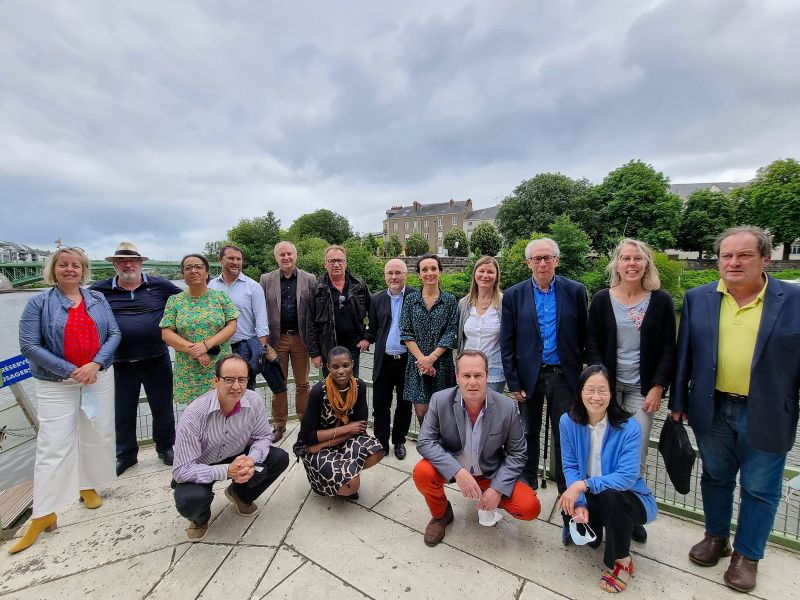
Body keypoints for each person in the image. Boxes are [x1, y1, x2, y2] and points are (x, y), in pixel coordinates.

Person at [670, 226, 800, 593]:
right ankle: (716, 537)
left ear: (765, 258)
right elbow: (686, 355)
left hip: (770, 410)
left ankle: (747, 555)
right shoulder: (699, 297)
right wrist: (678, 402)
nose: (733, 262)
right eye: (727, 255)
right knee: (715, 477)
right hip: (712, 407)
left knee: (760, 488)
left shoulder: (793, 300)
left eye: (744, 255)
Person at [12, 247, 121, 554]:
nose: (70, 269)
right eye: (64, 265)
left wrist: (95, 364)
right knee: (53, 444)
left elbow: (113, 334)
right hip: (56, 382)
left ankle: (86, 485)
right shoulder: (38, 303)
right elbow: (29, 345)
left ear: (83, 270)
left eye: (76, 265)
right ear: (54, 269)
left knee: (96, 434)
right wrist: (71, 370)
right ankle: (43, 512)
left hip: (97, 375)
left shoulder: (97, 299)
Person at [585, 238, 676, 543]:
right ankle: (597, 509)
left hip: (641, 389)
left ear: (647, 264)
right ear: (617, 264)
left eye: (638, 259)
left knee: (634, 453)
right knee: (599, 446)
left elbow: (668, 349)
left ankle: (630, 510)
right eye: (625, 258)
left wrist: (658, 386)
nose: (632, 264)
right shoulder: (601, 299)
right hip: (607, 389)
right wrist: (600, 385)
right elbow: (593, 344)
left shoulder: (660, 301)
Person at [413, 350, 540, 547]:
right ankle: (441, 515)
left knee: (529, 507)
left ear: (487, 376)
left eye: (478, 375)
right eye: (466, 375)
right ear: (457, 377)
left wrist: (497, 489)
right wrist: (457, 471)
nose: (472, 382)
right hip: (454, 468)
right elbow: (425, 442)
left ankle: (487, 494)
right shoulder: (440, 400)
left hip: (489, 471)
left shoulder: (507, 407)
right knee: (422, 472)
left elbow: (518, 453)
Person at [500, 237, 588, 499]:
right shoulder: (514, 295)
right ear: (528, 263)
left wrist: (585, 378)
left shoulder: (575, 291)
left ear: (556, 260)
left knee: (564, 435)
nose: (542, 263)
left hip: (564, 376)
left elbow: (585, 335)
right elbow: (508, 342)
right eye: (536, 258)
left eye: (547, 258)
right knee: (528, 431)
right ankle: (528, 480)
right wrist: (513, 382)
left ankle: (566, 490)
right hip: (530, 376)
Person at [558, 365, 657, 593]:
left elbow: (627, 477)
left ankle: (622, 562)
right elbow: (571, 466)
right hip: (592, 494)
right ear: (580, 392)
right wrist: (580, 502)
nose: (596, 397)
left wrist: (583, 486)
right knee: (587, 536)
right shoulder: (567, 422)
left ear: (612, 394)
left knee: (612, 497)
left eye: (602, 391)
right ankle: (599, 523)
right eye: (589, 390)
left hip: (628, 497)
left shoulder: (629, 427)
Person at [171, 354, 289, 541]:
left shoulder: (254, 401)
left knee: (279, 458)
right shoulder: (194, 414)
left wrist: (251, 459)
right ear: (216, 381)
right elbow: (181, 470)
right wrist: (227, 470)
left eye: (242, 380)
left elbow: (263, 437)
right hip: (203, 464)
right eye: (229, 380)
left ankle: (240, 495)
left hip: (237, 454)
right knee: (190, 499)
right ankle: (199, 519)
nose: (236, 386)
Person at [91, 242, 182, 476]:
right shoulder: (99, 291)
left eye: (132, 261)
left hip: (157, 358)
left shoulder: (160, 285)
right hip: (120, 362)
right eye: (122, 261)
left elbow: (186, 303)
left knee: (162, 407)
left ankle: (165, 447)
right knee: (123, 410)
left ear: (141, 263)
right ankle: (126, 455)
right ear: (114, 264)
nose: (128, 264)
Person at [296, 347, 384, 499]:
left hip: (324, 442)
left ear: (352, 365)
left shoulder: (359, 386)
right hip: (313, 447)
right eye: (335, 367)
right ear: (328, 368)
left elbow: (360, 430)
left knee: (377, 452)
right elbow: (307, 437)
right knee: (352, 485)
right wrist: (348, 429)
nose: (341, 371)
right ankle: (329, 481)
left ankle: (345, 472)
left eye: (345, 365)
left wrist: (324, 442)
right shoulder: (319, 391)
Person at [160, 254, 239, 404]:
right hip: (189, 368)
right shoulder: (174, 301)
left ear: (207, 272)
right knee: (195, 415)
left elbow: (232, 326)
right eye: (188, 268)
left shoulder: (220, 297)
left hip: (219, 365)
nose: (194, 271)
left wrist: (205, 346)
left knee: (224, 408)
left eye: (198, 267)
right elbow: (167, 334)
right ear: (183, 273)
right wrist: (195, 351)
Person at [260, 241, 317, 442]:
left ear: (296, 255)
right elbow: (260, 310)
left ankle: (305, 422)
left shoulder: (309, 279)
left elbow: (314, 311)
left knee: (303, 384)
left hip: (301, 340)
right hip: (277, 340)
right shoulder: (266, 279)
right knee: (279, 384)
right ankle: (279, 424)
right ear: (276, 257)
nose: (286, 258)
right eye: (282, 255)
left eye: (289, 254)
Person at [399, 254, 458, 424]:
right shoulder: (411, 300)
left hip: (442, 363)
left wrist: (432, 358)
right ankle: (427, 449)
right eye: (424, 269)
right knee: (422, 413)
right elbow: (406, 331)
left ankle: (443, 449)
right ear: (419, 274)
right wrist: (424, 361)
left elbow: (450, 332)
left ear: (440, 272)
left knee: (444, 414)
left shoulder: (449, 300)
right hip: (418, 365)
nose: (429, 273)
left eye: (433, 268)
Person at [366, 258, 414, 459]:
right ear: (385, 276)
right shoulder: (376, 299)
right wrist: (363, 340)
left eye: (398, 273)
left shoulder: (415, 296)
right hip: (383, 361)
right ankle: (381, 442)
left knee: (404, 405)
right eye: (390, 273)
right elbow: (373, 330)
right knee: (380, 404)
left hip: (407, 361)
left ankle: (399, 440)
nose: (393, 277)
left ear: (406, 275)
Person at [208, 245, 269, 390]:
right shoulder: (210, 286)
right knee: (217, 392)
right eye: (231, 258)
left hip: (243, 349)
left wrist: (258, 352)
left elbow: (261, 322)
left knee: (244, 393)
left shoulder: (253, 287)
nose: (235, 262)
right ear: (220, 260)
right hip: (216, 349)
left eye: (239, 259)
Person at [307, 245, 371, 377]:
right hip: (328, 349)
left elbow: (373, 314)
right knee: (330, 390)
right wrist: (314, 353)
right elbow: (310, 324)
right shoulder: (317, 290)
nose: (336, 264)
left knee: (353, 387)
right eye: (331, 261)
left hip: (353, 348)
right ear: (325, 264)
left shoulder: (359, 286)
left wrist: (367, 337)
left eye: (340, 260)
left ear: (345, 263)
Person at [456, 255, 505, 393]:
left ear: (496, 276)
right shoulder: (463, 304)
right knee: (467, 410)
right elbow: (459, 336)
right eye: (481, 271)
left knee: (490, 410)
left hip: (494, 368)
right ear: (475, 274)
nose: (485, 275)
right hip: (467, 368)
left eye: (490, 272)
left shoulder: (504, 303)